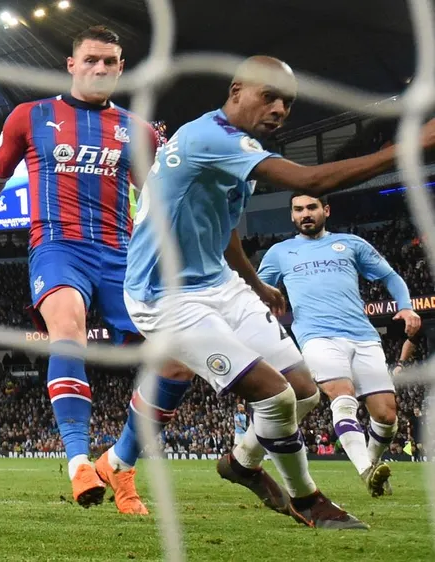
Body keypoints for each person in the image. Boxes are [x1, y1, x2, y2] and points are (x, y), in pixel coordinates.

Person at [123, 54, 435, 528]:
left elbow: (225, 227)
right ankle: (308, 500)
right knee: (277, 396)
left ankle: (241, 463)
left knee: (305, 389)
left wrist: (256, 284)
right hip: (164, 296)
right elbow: (310, 180)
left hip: (219, 284)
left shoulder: (233, 147)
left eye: (286, 103)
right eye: (267, 96)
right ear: (236, 92)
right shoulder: (211, 137)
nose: (278, 109)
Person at [0, 25, 193, 513]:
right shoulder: (32, 116)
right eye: (91, 60)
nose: (100, 69)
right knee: (68, 331)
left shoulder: (137, 130)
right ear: (71, 64)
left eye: (109, 62)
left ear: (121, 68)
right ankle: (79, 462)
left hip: (122, 255)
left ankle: (120, 464)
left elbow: (156, 203)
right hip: (58, 248)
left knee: (178, 361)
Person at [257, 193, 420, 495]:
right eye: (298, 209)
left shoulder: (352, 244)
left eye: (311, 208)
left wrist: (406, 306)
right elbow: (256, 289)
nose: (305, 214)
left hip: (364, 336)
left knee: (386, 415)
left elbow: (390, 276)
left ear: (326, 210)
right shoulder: (280, 252)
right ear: (292, 216)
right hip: (316, 336)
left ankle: (371, 464)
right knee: (342, 397)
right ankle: (365, 469)